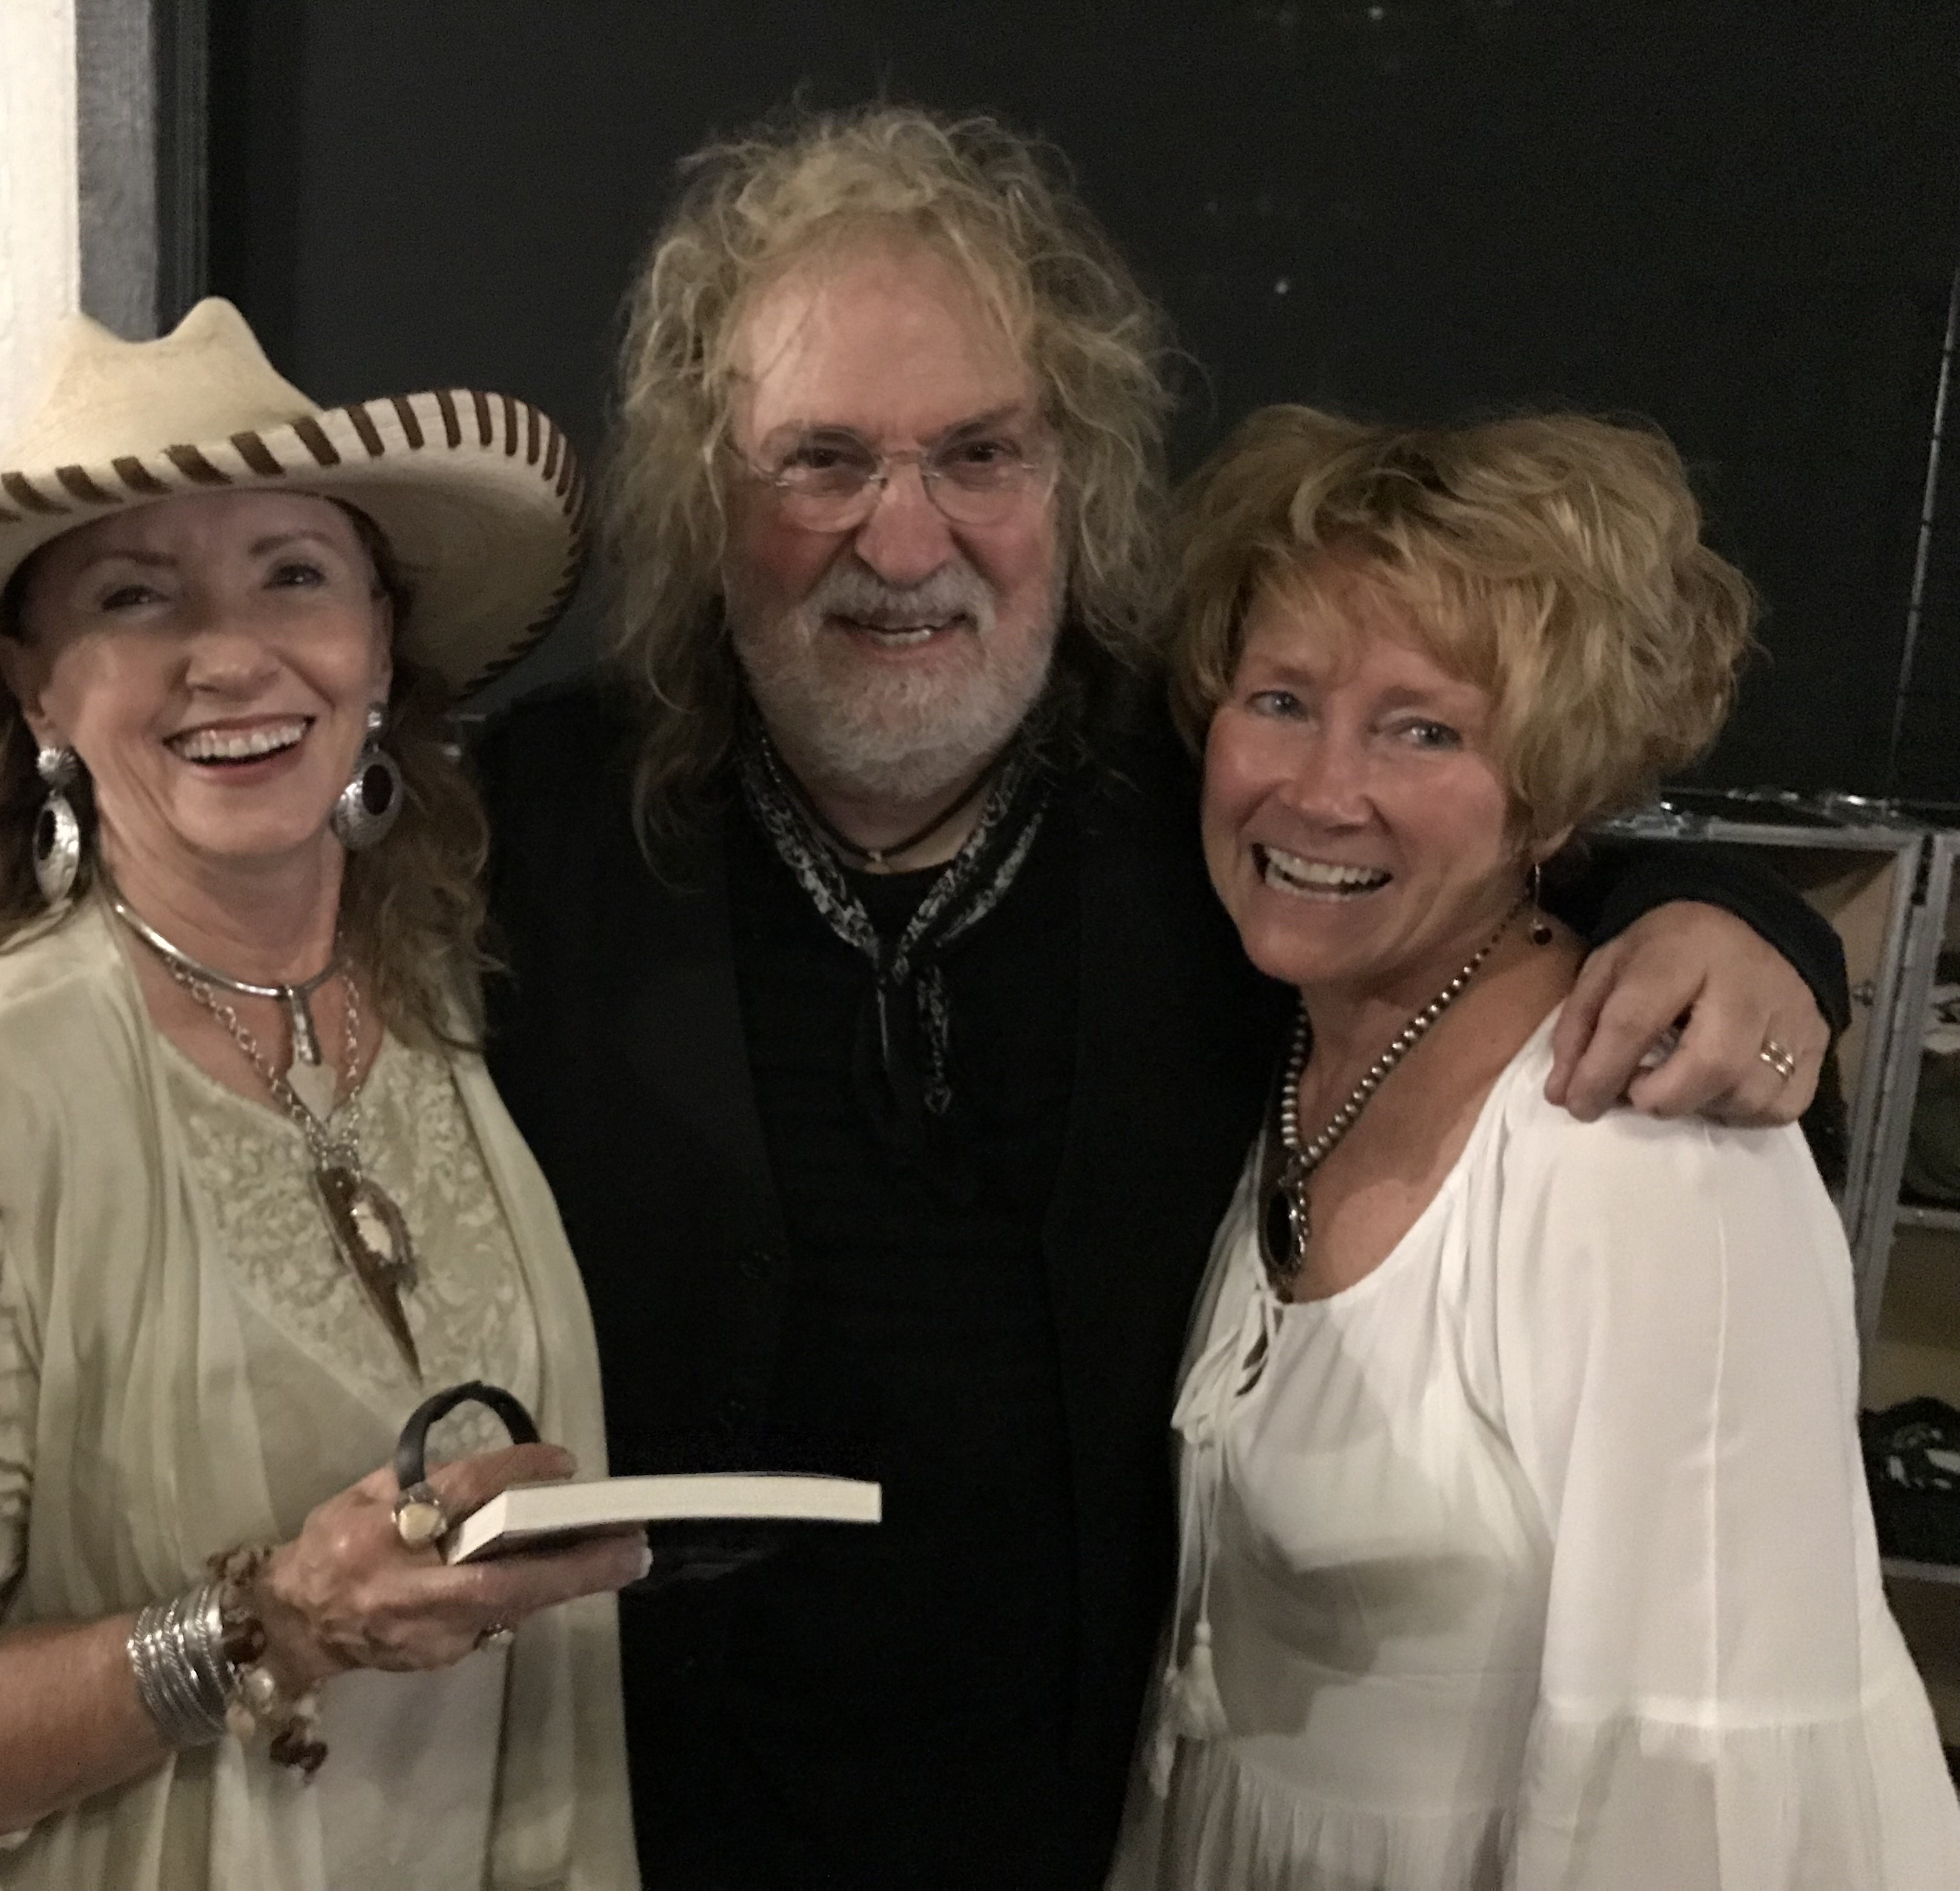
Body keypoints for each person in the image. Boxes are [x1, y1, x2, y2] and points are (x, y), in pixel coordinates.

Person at [473, 106, 1850, 1890]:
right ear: (706, 496)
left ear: (1076, 475)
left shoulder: (1217, 790)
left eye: (981, 452)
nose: (907, 539)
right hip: (630, 1814)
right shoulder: (532, 827)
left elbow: (1502, 860)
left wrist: (1742, 918)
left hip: (1090, 1822)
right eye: (822, 461)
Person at [0, 299, 644, 1890]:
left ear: (379, 641)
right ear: (37, 690)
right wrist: (268, 1627)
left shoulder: (437, 1005)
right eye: (134, 595)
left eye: (293, 574)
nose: (230, 655)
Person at [1110, 404, 1960, 1888]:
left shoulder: (1644, 1156)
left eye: (1424, 729)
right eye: (1282, 699)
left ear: (1553, 793)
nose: (1319, 789)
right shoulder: (1282, 1042)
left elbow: (1697, 1781)